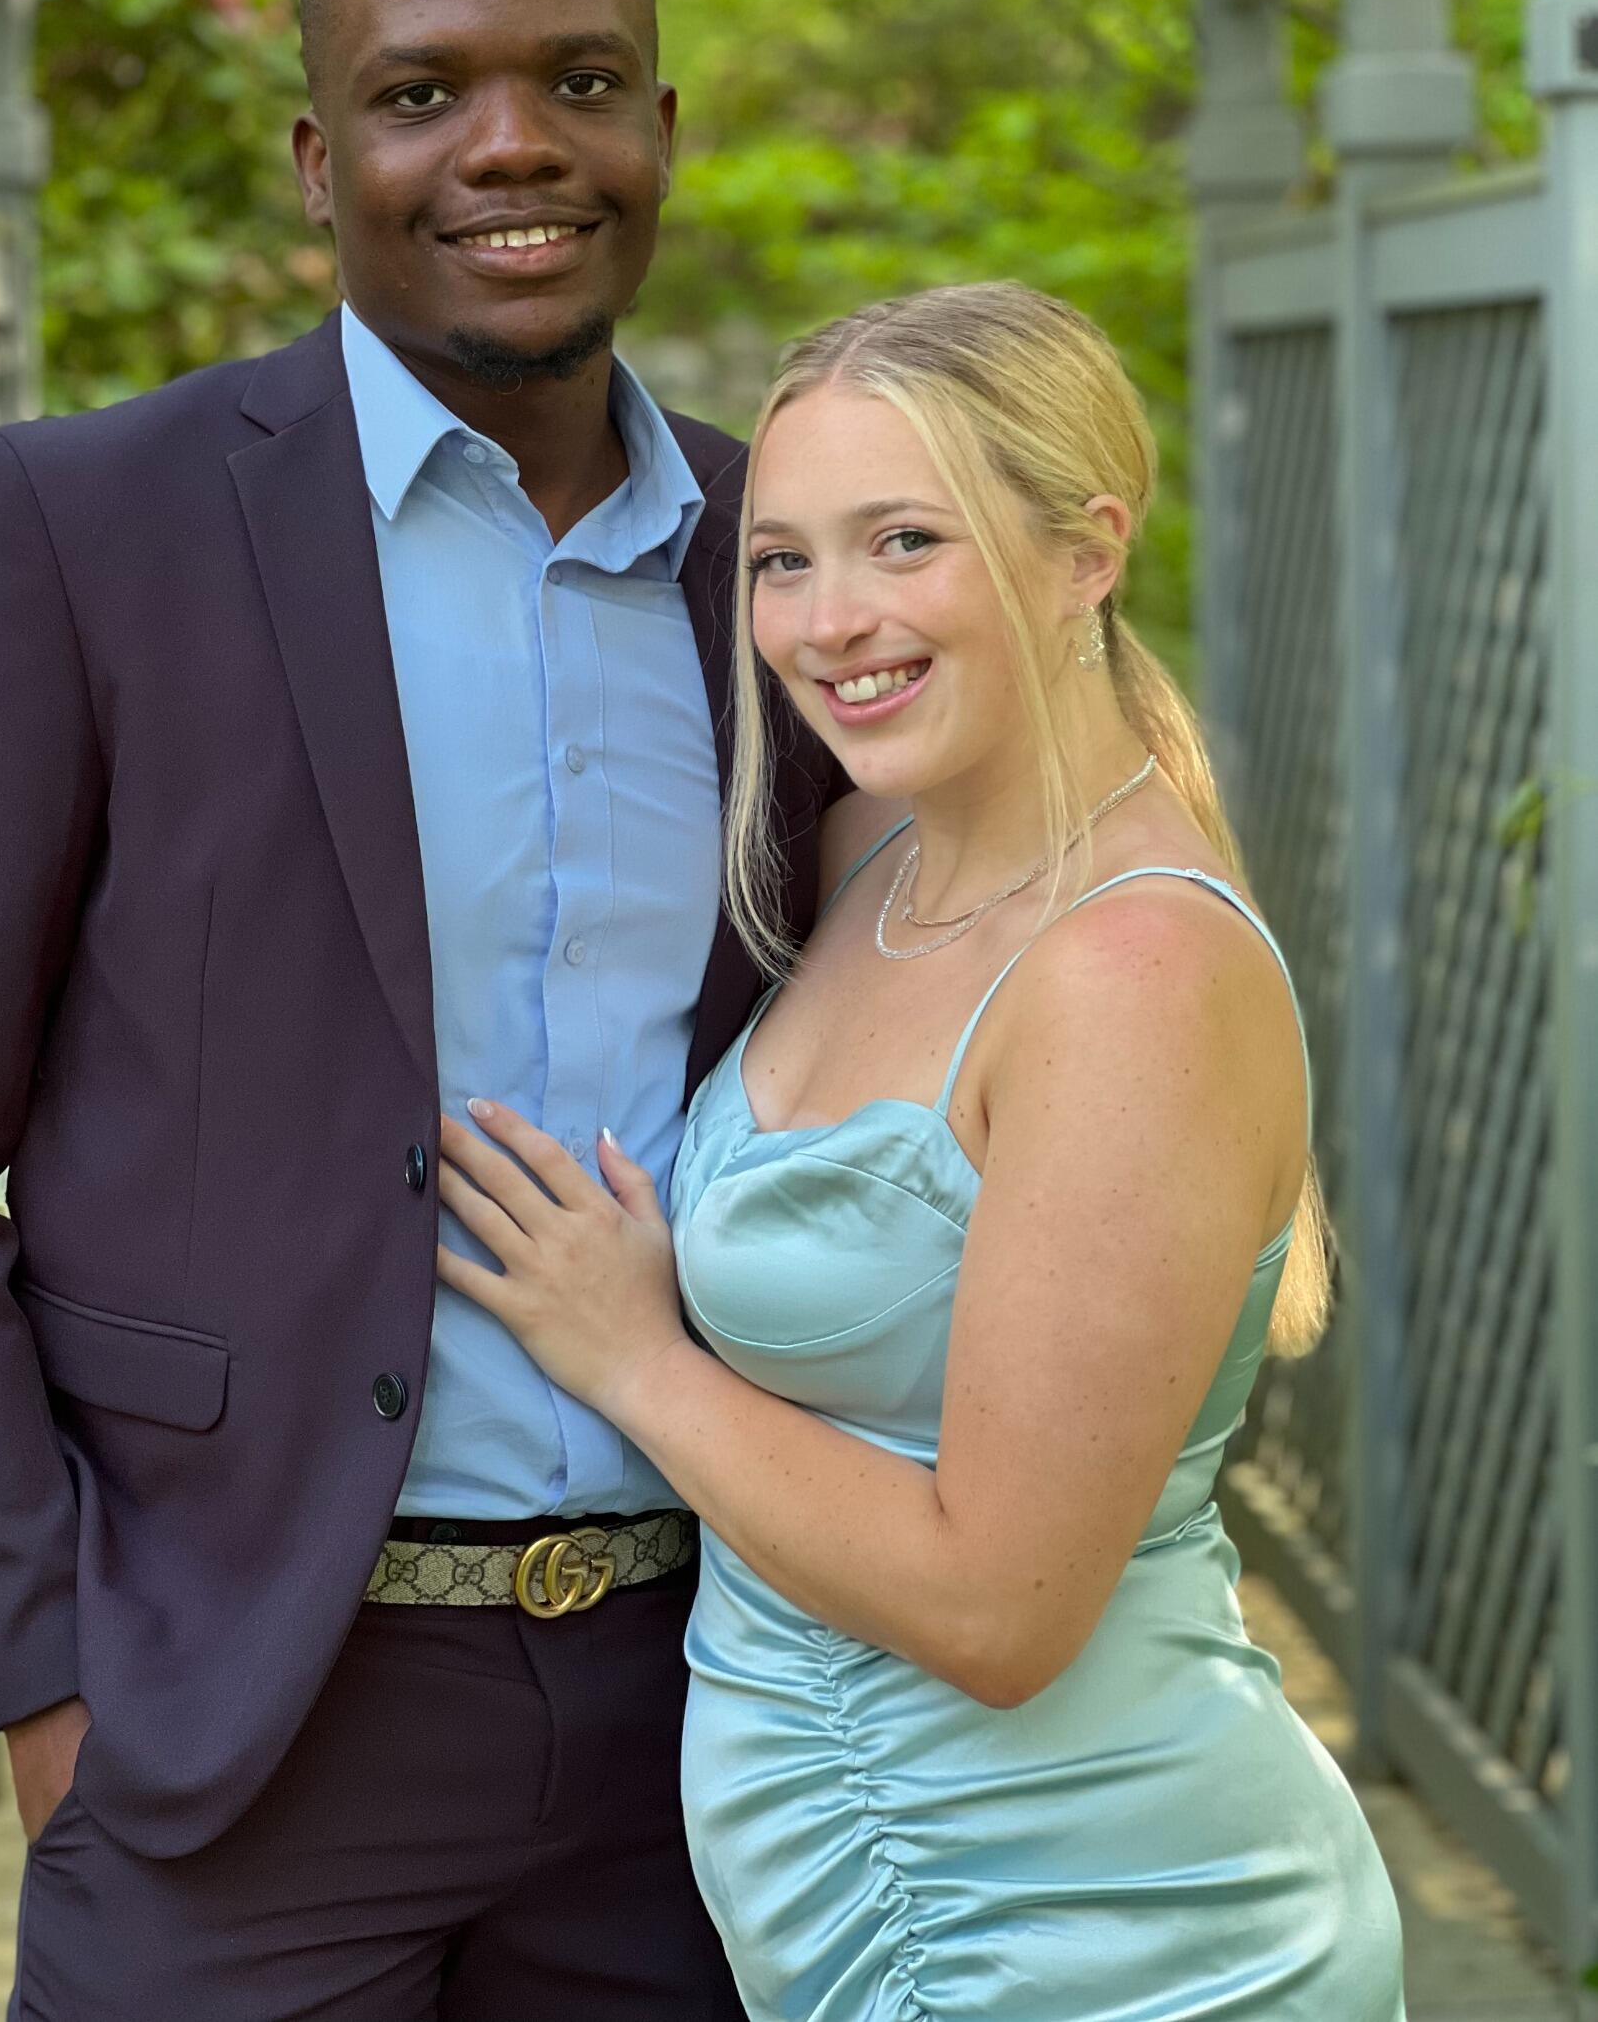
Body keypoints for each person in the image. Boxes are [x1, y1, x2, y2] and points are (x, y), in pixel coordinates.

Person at [0, 0, 840, 2020]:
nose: (510, 146)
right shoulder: (84, 527)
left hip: (709, 1720)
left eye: (578, 80)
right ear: (316, 156)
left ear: (661, 127)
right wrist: (40, 1679)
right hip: (233, 1728)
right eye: (421, 91)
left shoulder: (788, 563)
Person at [438, 281, 1408, 2020]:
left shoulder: (1132, 969)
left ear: (1087, 551)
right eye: (783, 559)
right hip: (853, 1909)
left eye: (905, 541)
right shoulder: (874, 850)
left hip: (1094, 1929)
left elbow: (1000, 1611)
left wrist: (635, 1359)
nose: (830, 622)